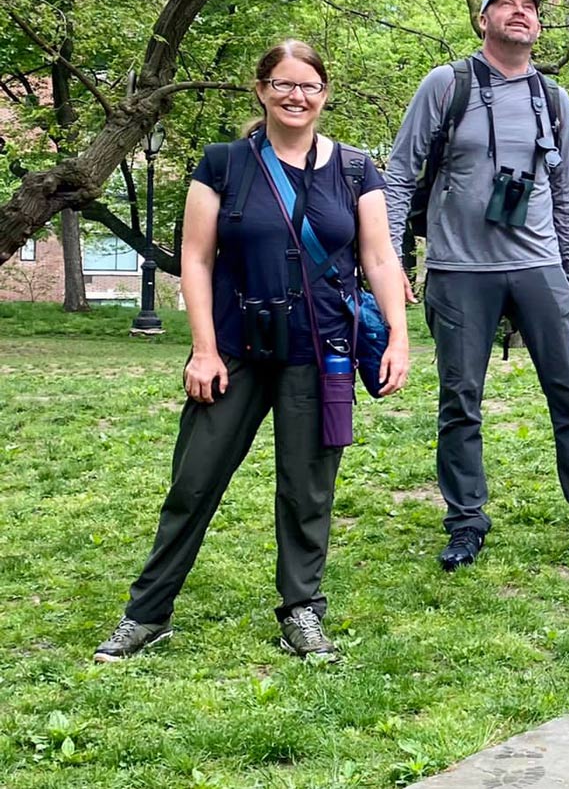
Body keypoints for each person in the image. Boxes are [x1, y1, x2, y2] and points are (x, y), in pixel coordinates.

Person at [95, 41, 411, 663]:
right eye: (283, 84)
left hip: (321, 353)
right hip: (235, 349)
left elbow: (378, 257)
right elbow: (196, 257)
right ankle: (147, 614)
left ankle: (302, 612)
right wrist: (203, 351)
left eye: (309, 86)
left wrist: (399, 337)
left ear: (324, 94)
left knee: (307, 491)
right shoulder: (223, 164)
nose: (297, 96)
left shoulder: (354, 169)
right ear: (262, 89)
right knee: (193, 482)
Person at [384, 0, 569, 571]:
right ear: (484, 20)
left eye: (529, 7)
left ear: (539, 26)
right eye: (506, 4)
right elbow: (399, 177)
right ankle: (466, 522)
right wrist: (393, 262)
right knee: (460, 400)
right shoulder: (446, 85)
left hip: (539, 267)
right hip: (459, 270)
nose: (520, 13)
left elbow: (566, 196)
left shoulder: (554, 99)